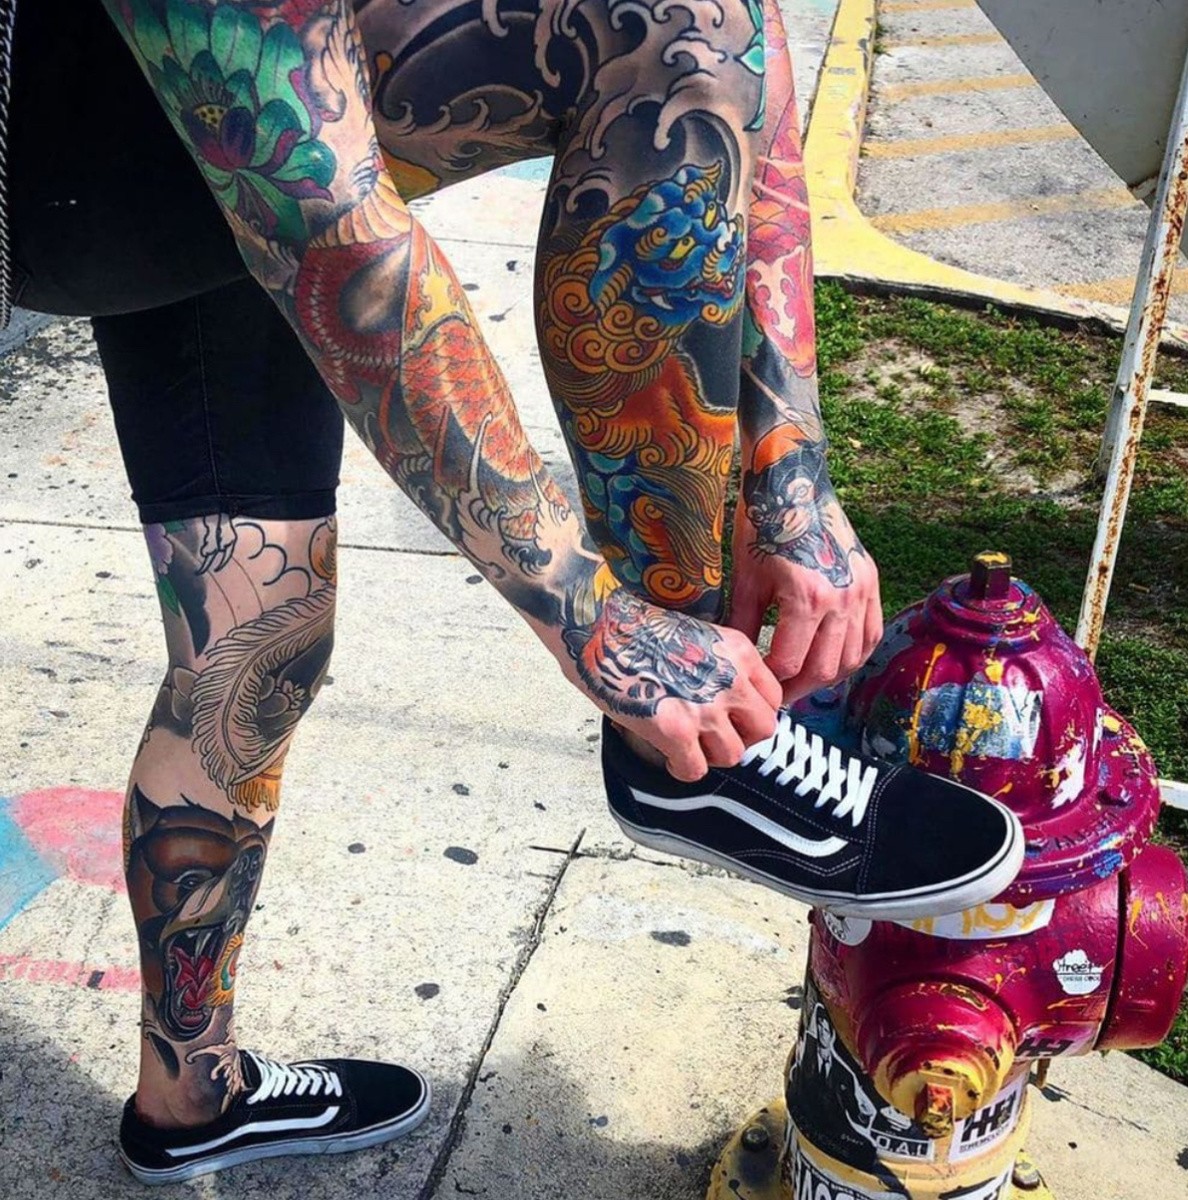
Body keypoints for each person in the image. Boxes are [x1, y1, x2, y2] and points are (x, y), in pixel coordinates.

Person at [5, 0, 1025, 1184]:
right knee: (664, 26)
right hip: (74, 142)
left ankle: (191, 1094)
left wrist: (789, 477)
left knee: (255, 637)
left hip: (179, 146)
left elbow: (757, 54)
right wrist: (605, 626)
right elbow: (341, 240)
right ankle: (694, 751)